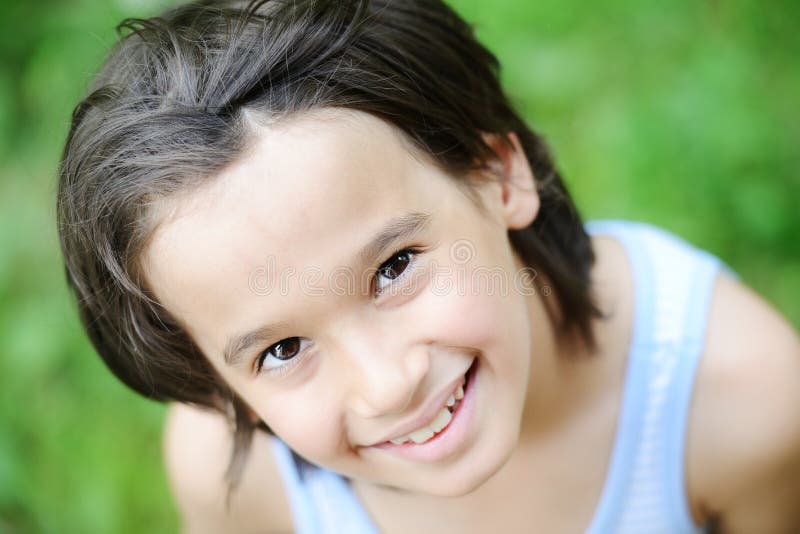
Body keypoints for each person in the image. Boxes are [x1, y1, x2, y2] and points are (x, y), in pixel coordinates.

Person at [56, 0, 800, 532]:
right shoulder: (232, 471)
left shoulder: (738, 410)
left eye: (395, 267)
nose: (387, 385)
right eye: (281, 351)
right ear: (224, 388)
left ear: (495, 173)